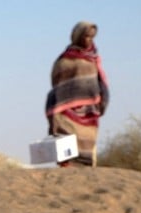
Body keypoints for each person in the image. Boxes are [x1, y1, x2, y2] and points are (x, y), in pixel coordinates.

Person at [46, 21, 109, 167]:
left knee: (86, 143)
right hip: (66, 109)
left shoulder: (94, 58)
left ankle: (84, 172)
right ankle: (67, 173)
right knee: (67, 142)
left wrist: (101, 99)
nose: (89, 40)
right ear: (78, 36)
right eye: (86, 36)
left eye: (92, 37)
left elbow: (99, 81)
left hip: (89, 110)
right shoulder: (66, 58)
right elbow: (58, 82)